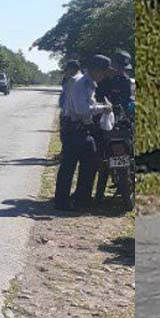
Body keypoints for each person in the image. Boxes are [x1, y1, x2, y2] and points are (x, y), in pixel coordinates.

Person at [54, 55, 112, 210]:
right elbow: (82, 109)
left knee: (81, 163)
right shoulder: (82, 84)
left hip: (78, 128)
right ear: (96, 70)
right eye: (103, 71)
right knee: (77, 164)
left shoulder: (87, 83)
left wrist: (99, 106)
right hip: (75, 128)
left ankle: (76, 199)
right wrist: (103, 108)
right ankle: (72, 200)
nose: (104, 75)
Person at [93, 54, 135, 202]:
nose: (121, 70)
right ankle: (99, 193)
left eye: (123, 68)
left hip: (122, 123)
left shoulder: (125, 81)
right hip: (105, 122)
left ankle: (100, 194)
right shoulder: (103, 81)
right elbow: (97, 99)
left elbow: (128, 101)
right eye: (119, 67)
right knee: (103, 158)